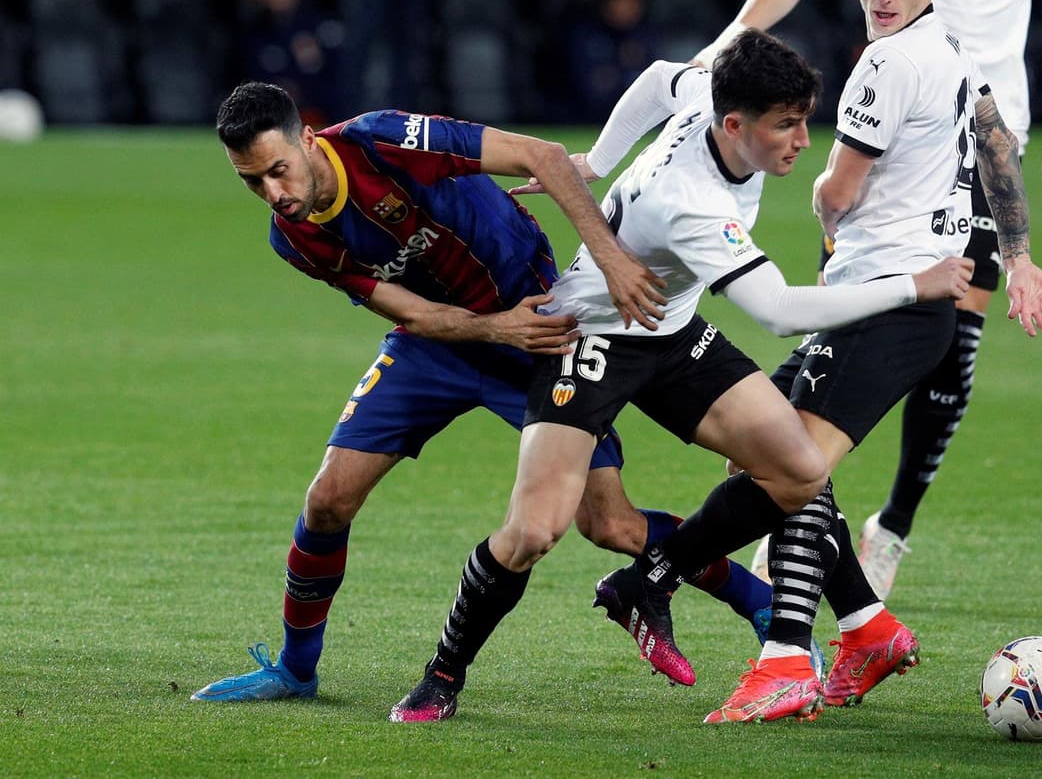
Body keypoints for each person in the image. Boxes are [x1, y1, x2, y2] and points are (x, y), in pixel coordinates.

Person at [391, 29, 975, 723]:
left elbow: (664, 76)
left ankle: (731, 598)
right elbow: (781, 311)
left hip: (670, 330)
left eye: (803, 120)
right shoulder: (693, 204)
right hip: (592, 338)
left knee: (797, 466)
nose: (801, 141)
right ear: (736, 126)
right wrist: (915, 285)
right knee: (534, 531)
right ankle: (441, 674)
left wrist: (595, 160)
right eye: (786, 126)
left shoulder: (712, 94)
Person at [190, 82, 788, 707]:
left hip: (541, 323)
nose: (274, 195)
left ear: (307, 139)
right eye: (253, 183)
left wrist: (609, 258)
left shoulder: (384, 140)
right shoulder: (293, 238)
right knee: (328, 501)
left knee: (609, 523)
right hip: (439, 346)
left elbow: (546, 157)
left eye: (278, 171)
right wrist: (493, 329)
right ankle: (295, 670)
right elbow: (411, 312)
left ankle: (763, 605)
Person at [648, 0, 1042, 722]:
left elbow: (836, 192)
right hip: (908, 302)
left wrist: (820, 207)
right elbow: (994, 137)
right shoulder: (947, 44)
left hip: (882, 301)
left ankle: (769, 650)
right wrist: (1017, 256)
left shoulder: (883, 62)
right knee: (771, 459)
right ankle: (868, 626)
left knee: (792, 466)